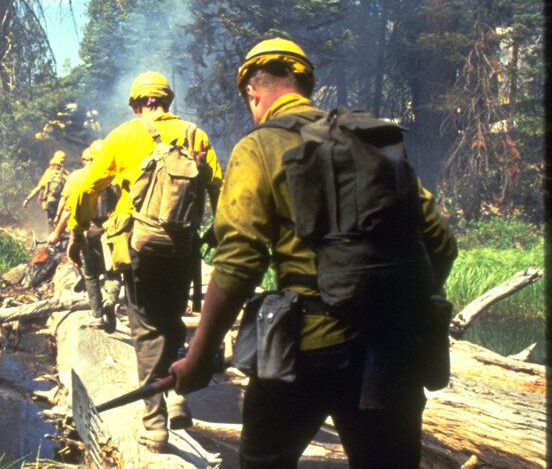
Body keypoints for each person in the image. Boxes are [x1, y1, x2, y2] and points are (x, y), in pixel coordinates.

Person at [169, 38, 458, 468]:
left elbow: (239, 261)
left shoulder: (259, 146)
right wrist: (391, 298)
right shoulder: (374, 143)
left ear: (253, 91)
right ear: (305, 84)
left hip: (303, 349)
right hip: (388, 349)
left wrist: (196, 357)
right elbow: (440, 241)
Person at [66, 71, 222, 452]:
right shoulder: (195, 135)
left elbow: (89, 186)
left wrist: (78, 229)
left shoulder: (123, 136)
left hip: (138, 247)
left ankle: (154, 425)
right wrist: (214, 234)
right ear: (167, 101)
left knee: (146, 329)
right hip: (182, 248)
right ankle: (176, 393)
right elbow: (219, 187)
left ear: (137, 103)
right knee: (170, 320)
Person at [48, 140, 122, 333]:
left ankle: (97, 315)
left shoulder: (81, 178)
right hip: (113, 231)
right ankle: (111, 300)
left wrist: (59, 233)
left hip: (89, 232)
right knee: (113, 272)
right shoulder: (117, 178)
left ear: (87, 159)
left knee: (90, 275)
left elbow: (69, 209)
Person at [22, 150, 68, 231]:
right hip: (62, 203)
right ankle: (62, 236)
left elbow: (39, 187)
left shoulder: (49, 172)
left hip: (50, 203)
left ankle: (53, 238)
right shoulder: (65, 174)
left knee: (52, 222)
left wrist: (27, 199)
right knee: (61, 222)